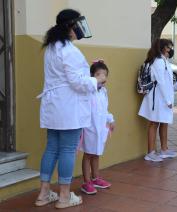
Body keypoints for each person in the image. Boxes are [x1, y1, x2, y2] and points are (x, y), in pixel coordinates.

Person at [36, 9, 106, 209]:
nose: (80, 28)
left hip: (54, 106)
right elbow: (78, 82)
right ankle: (65, 196)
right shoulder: (69, 50)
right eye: (77, 24)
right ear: (70, 26)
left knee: (51, 148)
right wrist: (97, 79)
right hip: (68, 108)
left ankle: (43, 193)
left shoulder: (52, 47)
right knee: (67, 149)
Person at [138, 39, 177, 162]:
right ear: (162, 48)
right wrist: (168, 100)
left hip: (164, 98)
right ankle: (150, 152)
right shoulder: (159, 62)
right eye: (168, 47)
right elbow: (161, 82)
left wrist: (169, 99)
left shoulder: (164, 60)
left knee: (164, 122)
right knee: (154, 123)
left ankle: (164, 150)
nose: (170, 49)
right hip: (158, 98)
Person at [79, 60, 115, 195]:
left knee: (96, 153)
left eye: (104, 75)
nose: (102, 77)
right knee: (88, 154)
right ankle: (86, 182)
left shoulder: (103, 92)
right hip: (89, 128)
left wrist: (110, 119)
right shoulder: (88, 91)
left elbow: (105, 109)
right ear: (91, 76)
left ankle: (95, 178)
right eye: (98, 74)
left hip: (100, 128)